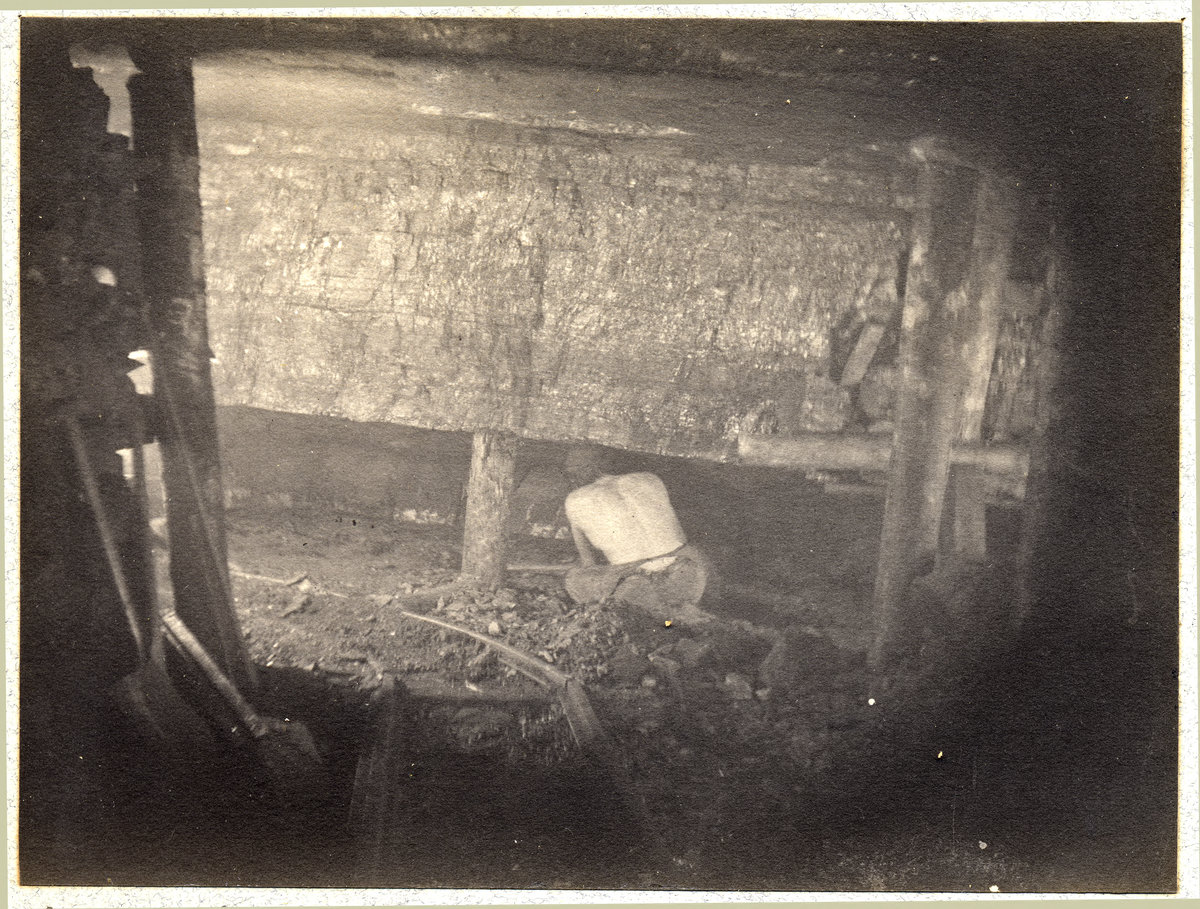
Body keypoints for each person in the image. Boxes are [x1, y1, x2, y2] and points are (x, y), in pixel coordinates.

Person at [561, 447, 716, 626]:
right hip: (687, 573)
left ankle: (665, 616)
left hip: (635, 585)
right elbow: (679, 538)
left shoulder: (574, 500)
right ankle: (683, 613)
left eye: (570, 473)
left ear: (583, 471)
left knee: (573, 578)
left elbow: (588, 563)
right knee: (684, 568)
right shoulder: (650, 479)